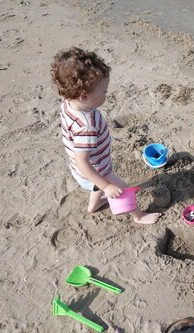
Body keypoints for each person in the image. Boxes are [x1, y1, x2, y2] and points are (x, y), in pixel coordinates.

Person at [51, 46, 160, 224]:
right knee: (122, 189)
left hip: (84, 166)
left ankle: (93, 206)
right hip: (94, 169)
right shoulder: (86, 127)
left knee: (97, 186)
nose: (106, 95)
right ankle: (138, 216)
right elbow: (83, 162)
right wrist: (107, 186)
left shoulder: (68, 102)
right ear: (84, 96)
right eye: (104, 92)